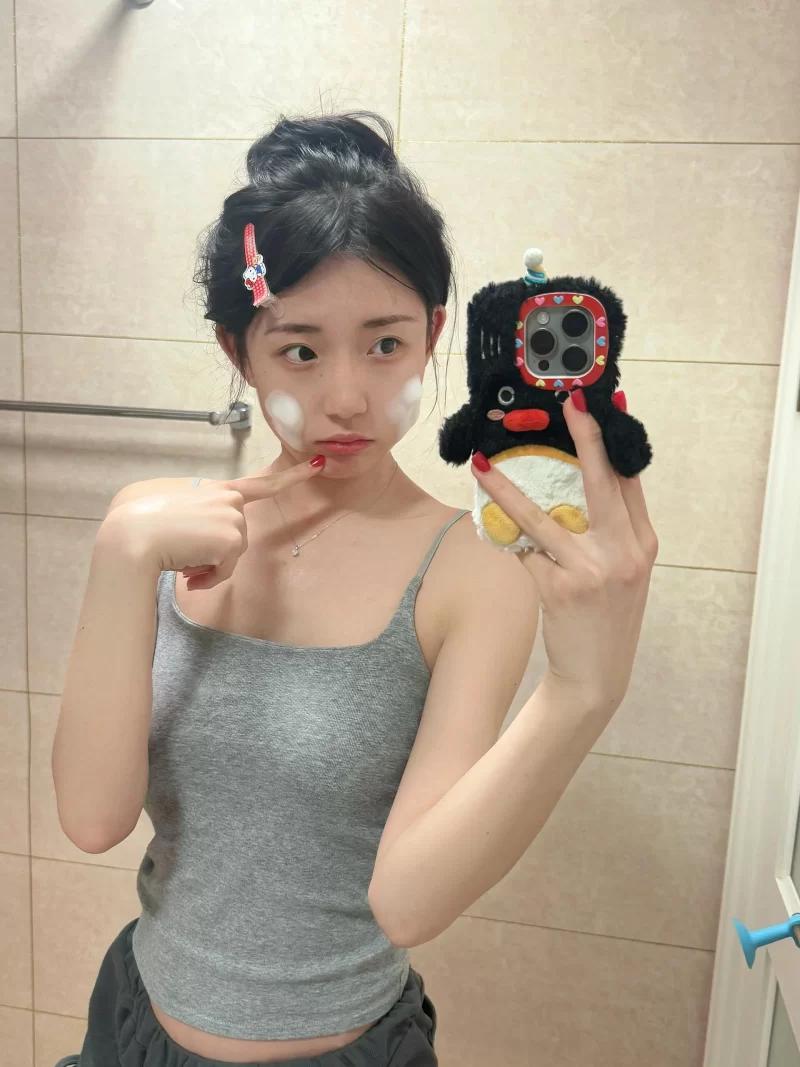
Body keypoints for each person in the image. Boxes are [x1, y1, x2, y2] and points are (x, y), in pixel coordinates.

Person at [52, 111, 657, 1067]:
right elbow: (92, 818)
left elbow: (408, 902)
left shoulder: (468, 570)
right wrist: (121, 555)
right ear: (237, 350)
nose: (346, 397)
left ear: (434, 335)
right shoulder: (156, 533)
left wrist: (584, 691)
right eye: (300, 350)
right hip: (132, 1025)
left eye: (384, 346)